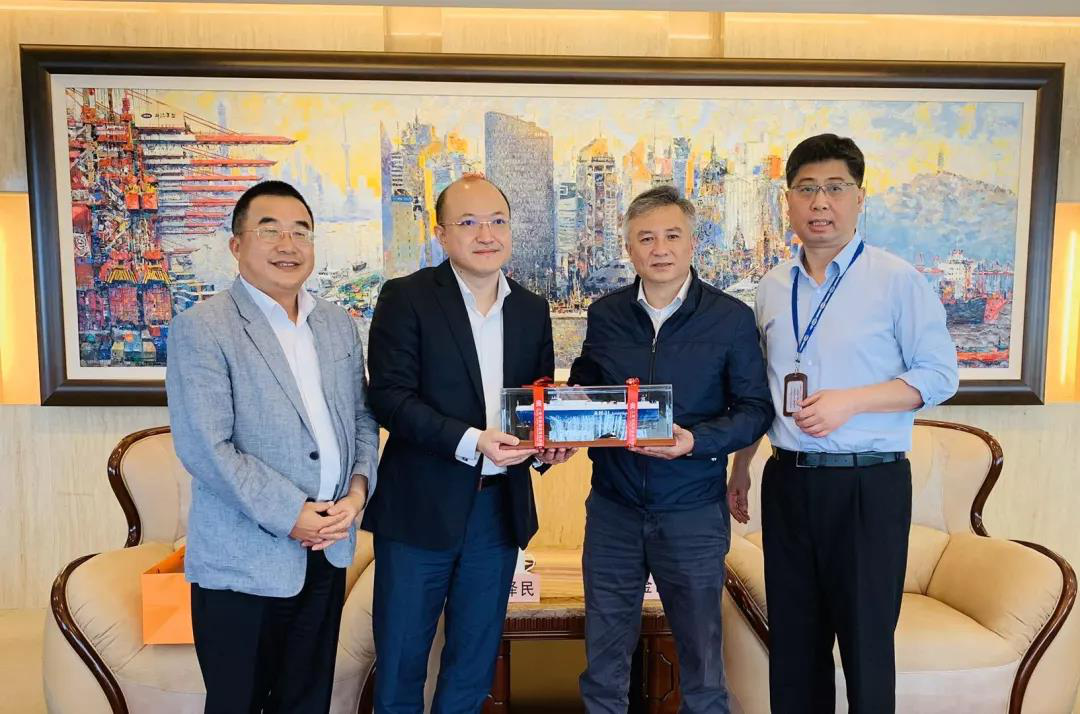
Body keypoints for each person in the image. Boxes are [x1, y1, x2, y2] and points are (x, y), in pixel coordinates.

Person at [729, 133, 959, 714]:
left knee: (865, 647)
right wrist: (741, 467)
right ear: (788, 200)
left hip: (868, 485)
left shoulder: (895, 279)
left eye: (835, 188)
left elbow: (939, 376)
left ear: (859, 198)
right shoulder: (772, 287)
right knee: (794, 649)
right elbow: (762, 388)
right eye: (806, 189)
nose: (820, 202)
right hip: (788, 482)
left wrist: (851, 402)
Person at [166, 180, 380, 713]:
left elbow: (361, 418)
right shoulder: (202, 327)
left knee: (306, 701)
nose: (288, 245)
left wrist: (356, 495)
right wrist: (292, 514)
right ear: (236, 245)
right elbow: (206, 446)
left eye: (300, 232)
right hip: (243, 559)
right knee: (237, 702)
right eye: (270, 231)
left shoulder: (337, 324)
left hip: (328, 548)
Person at [362, 174, 569, 713]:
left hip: (496, 514)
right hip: (419, 510)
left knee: (473, 668)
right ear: (441, 234)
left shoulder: (531, 309)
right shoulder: (407, 298)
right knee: (401, 663)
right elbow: (389, 398)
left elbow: (536, 403)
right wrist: (474, 441)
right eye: (469, 222)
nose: (486, 234)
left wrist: (548, 446)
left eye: (498, 221)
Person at [568, 185, 774, 713]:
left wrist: (696, 441)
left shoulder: (730, 317)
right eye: (646, 238)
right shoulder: (605, 314)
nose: (659, 249)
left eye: (672, 236)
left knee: (702, 667)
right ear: (629, 248)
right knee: (603, 666)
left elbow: (755, 409)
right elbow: (585, 389)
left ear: (691, 243)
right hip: (613, 509)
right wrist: (561, 428)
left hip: (692, 512)